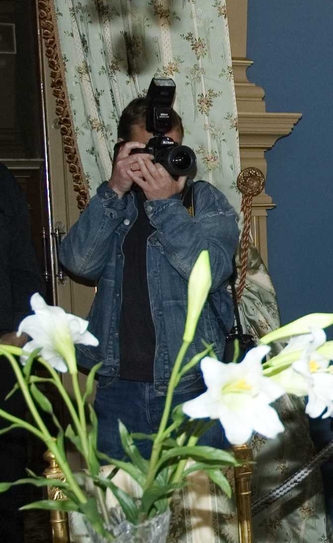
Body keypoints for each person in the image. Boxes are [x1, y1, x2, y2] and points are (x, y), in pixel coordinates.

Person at [59, 97, 238, 460]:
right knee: (120, 511)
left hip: (192, 387)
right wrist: (114, 188)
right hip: (117, 388)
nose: (158, 160)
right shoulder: (117, 205)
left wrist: (166, 206)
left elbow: (211, 271)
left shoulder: (202, 201)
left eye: (167, 148)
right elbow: (78, 261)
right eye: (147, 150)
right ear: (123, 151)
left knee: (198, 511)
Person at [0, 161, 43, 543]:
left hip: (1, 366)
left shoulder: (2, 180)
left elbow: (23, 270)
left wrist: (20, 333)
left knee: (6, 503)